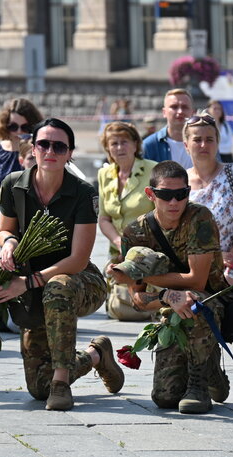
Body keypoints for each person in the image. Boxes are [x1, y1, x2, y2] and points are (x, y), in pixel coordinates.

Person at [0, 118, 123, 411]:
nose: (51, 151)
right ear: (33, 148)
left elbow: (78, 259)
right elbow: (4, 230)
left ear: (70, 153)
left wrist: (27, 282)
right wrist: (8, 244)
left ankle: (61, 383)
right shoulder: (14, 184)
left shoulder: (83, 193)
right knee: (38, 389)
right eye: (43, 144)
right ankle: (96, 354)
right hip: (34, 283)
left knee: (58, 288)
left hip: (78, 280)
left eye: (59, 146)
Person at [108, 160, 230, 414]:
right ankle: (210, 366)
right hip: (166, 309)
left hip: (210, 304)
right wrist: (166, 295)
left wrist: (158, 287)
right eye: (165, 195)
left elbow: (197, 280)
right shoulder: (135, 233)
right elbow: (138, 298)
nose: (174, 202)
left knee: (192, 299)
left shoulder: (200, 218)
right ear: (150, 194)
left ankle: (199, 382)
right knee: (164, 397)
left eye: (181, 194)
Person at [185, 114, 233, 291]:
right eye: (197, 139)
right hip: (190, 263)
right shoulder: (180, 181)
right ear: (186, 145)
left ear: (217, 143)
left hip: (231, 264)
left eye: (209, 139)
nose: (204, 145)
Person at [97, 121, 156, 321]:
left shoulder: (152, 170)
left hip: (149, 250)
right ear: (107, 148)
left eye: (124, 142)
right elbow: (104, 218)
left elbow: (162, 215)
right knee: (118, 308)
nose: (119, 148)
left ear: (135, 144)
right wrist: (118, 241)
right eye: (114, 143)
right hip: (118, 252)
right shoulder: (104, 174)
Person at [0, 98, 43, 259]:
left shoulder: (39, 150)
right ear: (5, 125)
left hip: (32, 223)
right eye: (13, 126)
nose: (19, 131)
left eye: (25, 127)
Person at [142, 89, 195, 168]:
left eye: (184, 107)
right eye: (174, 107)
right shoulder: (150, 145)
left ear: (192, 112)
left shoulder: (205, 142)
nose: (180, 111)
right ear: (164, 112)